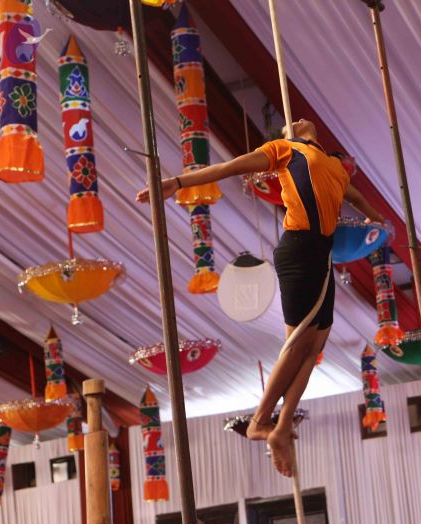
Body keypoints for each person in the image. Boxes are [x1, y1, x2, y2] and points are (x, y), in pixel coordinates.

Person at [136, 119, 383, 477]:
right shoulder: (284, 150)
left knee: (313, 349)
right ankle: (259, 422)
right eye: (288, 124)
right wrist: (178, 182)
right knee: (296, 345)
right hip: (299, 249)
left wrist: (380, 220)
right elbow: (229, 167)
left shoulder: (333, 164)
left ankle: (281, 426)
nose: (294, 120)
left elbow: (355, 197)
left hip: (322, 255)